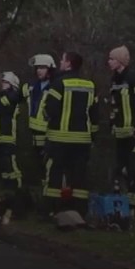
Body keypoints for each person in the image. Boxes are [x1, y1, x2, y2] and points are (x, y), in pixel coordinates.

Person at [37, 51, 98, 215]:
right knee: (79, 176)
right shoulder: (90, 85)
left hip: (59, 139)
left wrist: (46, 117)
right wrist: (92, 136)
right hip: (83, 141)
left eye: (62, 60)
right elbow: (95, 114)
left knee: (55, 174)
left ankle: (51, 210)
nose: (60, 63)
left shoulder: (59, 83)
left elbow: (50, 110)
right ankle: (79, 211)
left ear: (69, 63)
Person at [106, 45, 135, 182]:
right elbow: (115, 104)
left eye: (112, 59)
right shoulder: (114, 80)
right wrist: (112, 123)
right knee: (120, 167)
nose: (109, 62)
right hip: (120, 132)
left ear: (120, 61)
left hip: (133, 132)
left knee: (133, 166)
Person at [0, 71, 24, 217]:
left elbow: (3, 106)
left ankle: (17, 193)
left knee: (12, 167)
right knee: (3, 169)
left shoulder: (12, 97)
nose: (2, 84)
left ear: (12, 84)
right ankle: (7, 193)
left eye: (6, 82)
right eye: (2, 82)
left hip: (7, 137)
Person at [22, 54, 56, 161]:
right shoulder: (31, 86)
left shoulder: (56, 86)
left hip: (50, 134)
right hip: (34, 133)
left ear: (50, 69)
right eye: (37, 68)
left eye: (42, 68)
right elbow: (16, 97)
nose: (39, 71)